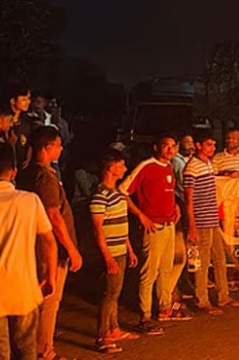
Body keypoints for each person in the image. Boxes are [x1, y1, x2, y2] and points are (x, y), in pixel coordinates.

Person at [0, 144, 58, 360]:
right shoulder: (29, 201)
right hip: (23, 290)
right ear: (13, 170)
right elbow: (49, 241)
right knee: (26, 350)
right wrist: (50, 276)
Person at [16, 126, 83, 359]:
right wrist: (72, 250)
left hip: (35, 245)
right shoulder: (43, 176)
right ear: (47, 147)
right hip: (49, 250)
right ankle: (44, 350)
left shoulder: (28, 173)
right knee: (49, 301)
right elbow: (53, 215)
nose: (61, 148)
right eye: (58, 144)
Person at [119, 134, 185, 334]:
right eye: (166, 145)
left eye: (174, 146)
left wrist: (175, 207)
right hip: (153, 227)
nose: (170, 149)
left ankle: (164, 308)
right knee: (149, 272)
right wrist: (141, 215)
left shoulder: (169, 168)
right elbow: (123, 191)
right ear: (157, 147)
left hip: (168, 225)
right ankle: (144, 316)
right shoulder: (146, 166)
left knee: (166, 269)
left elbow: (166, 191)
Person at [185, 130, 239, 313]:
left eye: (214, 145)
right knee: (202, 261)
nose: (213, 148)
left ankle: (223, 295)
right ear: (198, 146)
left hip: (211, 219)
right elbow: (189, 199)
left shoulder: (208, 165)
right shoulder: (192, 167)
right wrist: (192, 225)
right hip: (201, 221)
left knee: (219, 258)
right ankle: (202, 300)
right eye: (209, 145)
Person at [90, 149, 139, 353]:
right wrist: (107, 257)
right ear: (111, 168)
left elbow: (122, 223)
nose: (125, 169)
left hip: (120, 249)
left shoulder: (118, 193)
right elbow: (97, 229)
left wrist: (129, 249)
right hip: (110, 251)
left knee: (115, 293)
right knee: (109, 294)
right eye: (121, 165)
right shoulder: (100, 196)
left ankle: (114, 329)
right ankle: (102, 336)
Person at [171, 133, 195, 303]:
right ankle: (175, 290)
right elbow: (180, 184)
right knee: (177, 253)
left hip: (185, 207)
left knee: (186, 249)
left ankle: (184, 283)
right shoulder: (176, 162)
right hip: (178, 206)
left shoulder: (188, 160)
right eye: (187, 142)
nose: (191, 145)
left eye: (192, 142)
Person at [6, 84, 33, 168]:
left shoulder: (27, 121)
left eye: (29, 98)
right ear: (13, 101)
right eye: (24, 99)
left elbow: (30, 141)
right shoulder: (4, 120)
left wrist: (28, 156)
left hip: (23, 164)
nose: (28, 102)